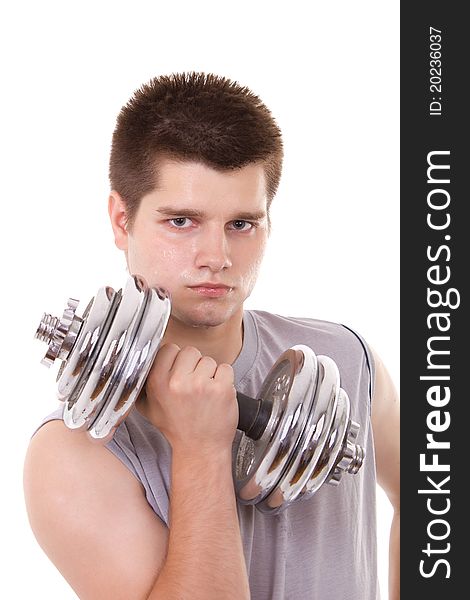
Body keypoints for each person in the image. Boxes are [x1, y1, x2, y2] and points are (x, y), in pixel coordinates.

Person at [23, 72, 400, 600]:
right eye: (181, 221)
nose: (216, 258)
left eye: (242, 224)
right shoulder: (74, 458)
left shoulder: (347, 361)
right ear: (121, 220)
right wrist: (200, 449)